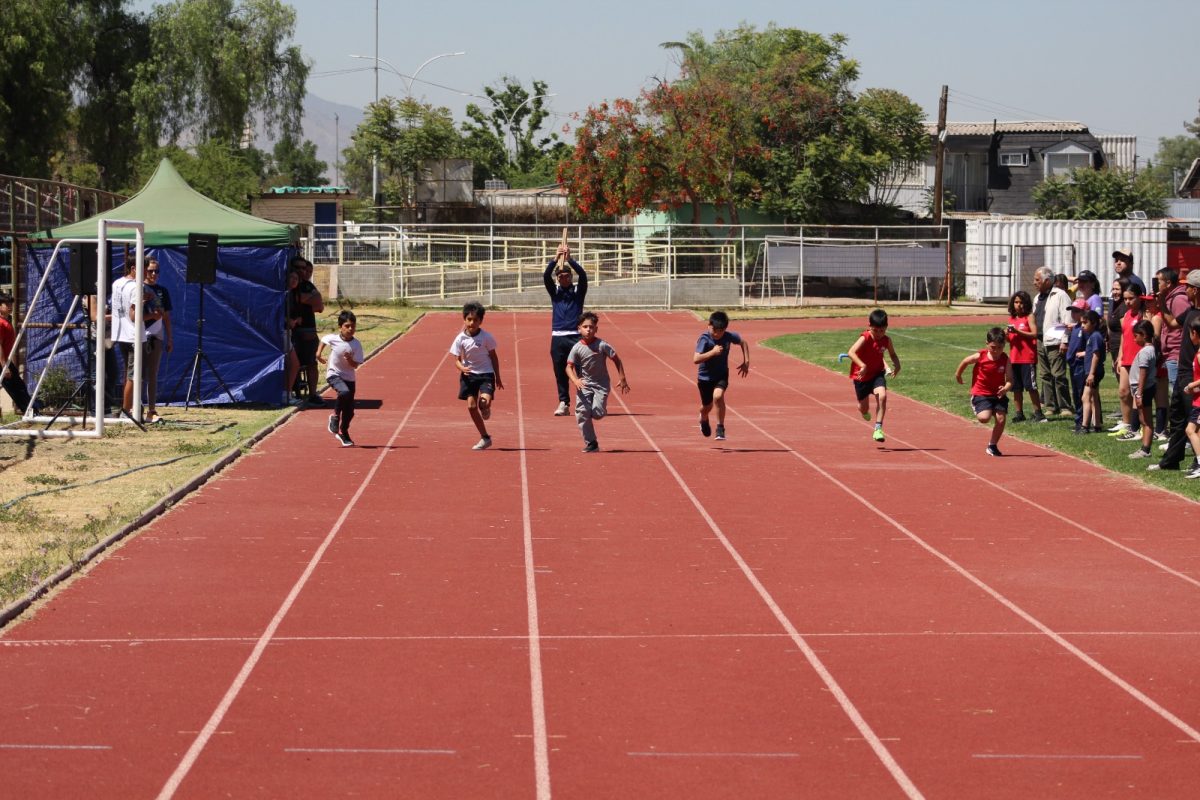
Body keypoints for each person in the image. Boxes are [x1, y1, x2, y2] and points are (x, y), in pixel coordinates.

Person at [1149, 270, 1200, 473]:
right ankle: (1171, 461)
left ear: (1195, 290)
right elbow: (1170, 323)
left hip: (1194, 376)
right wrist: (1161, 301)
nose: (1184, 289)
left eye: (1187, 286)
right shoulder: (1190, 312)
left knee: (1194, 421)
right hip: (1183, 371)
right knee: (1177, 418)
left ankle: (1198, 461)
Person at [566, 311, 629, 453]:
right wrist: (575, 380)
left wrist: (623, 378)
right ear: (579, 329)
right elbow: (568, 367)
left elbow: (616, 359)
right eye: (585, 326)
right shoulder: (576, 348)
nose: (588, 329)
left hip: (601, 384)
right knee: (582, 413)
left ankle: (600, 409)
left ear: (596, 329)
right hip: (585, 384)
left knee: (597, 414)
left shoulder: (602, 345)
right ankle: (591, 443)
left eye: (591, 327)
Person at [448, 301, 502, 451]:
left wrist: (498, 377)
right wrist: (462, 368)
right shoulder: (460, 339)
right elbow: (456, 360)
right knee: (471, 406)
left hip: (486, 374)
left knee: (483, 403)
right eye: (469, 319)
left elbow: (494, 357)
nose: (472, 323)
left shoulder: (486, 337)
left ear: (481, 321)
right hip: (469, 375)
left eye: (475, 320)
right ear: (464, 320)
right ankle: (485, 437)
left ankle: (485, 407)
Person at [955, 326, 1014, 457]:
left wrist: (1006, 388)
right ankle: (983, 407)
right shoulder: (980, 356)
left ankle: (992, 445)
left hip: (998, 394)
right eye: (993, 347)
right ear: (987, 344)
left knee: (1001, 419)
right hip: (981, 393)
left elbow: (1010, 379)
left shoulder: (1005, 359)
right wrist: (958, 375)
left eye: (1000, 348)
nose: (996, 351)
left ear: (1004, 345)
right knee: (984, 418)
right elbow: (965, 361)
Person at [543, 242, 588, 416]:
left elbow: (583, 275)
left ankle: (583, 400)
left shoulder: (578, 291)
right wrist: (555, 259)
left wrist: (570, 259)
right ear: (558, 279)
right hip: (558, 337)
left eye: (567, 276)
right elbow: (546, 276)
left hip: (576, 336)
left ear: (571, 277)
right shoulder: (555, 292)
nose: (564, 279)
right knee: (560, 371)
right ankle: (564, 402)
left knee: (580, 369)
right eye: (561, 276)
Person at [846, 308, 901, 443]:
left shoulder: (887, 340)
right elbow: (851, 352)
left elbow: (892, 354)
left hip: (877, 374)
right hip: (861, 377)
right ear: (869, 326)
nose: (878, 334)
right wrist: (863, 365)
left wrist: (897, 365)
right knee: (863, 407)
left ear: (886, 328)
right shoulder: (865, 337)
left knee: (882, 396)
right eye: (875, 330)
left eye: (882, 331)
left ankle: (878, 428)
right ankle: (863, 411)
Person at [693, 310, 750, 441]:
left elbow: (743, 342)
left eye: (721, 331)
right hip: (705, 378)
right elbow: (695, 359)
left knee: (718, 396)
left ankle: (720, 428)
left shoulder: (729, 336)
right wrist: (712, 352)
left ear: (725, 329)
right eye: (715, 330)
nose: (717, 334)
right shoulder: (704, 339)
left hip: (721, 374)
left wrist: (746, 361)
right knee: (707, 407)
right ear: (709, 325)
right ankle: (703, 417)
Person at [317, 310, 364, 447]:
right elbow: (324, 339)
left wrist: (350, 359)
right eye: (347, 326)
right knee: (344, 392)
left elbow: (355, 365)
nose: (350, 329)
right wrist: (318, 354)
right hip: (334, 374)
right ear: (340, 327)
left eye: (353, 326)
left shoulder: (356, 345)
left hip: (349, 378)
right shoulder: (334, 338)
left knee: (349, 412)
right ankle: (335, 416)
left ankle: (343, 431)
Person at [111, 258, 150, 415]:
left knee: (128, 373)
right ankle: (126, 411)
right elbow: (134, 315)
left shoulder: (117, 283)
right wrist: (148, 309)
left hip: (120, 334)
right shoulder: (136, 286)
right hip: (134, 335)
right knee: (134, 376)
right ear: (133, 268)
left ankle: (132, 406)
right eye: (144, 269)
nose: (146, 273)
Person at [1032, 267, 1073, 415]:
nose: (1034, 283)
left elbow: (1067, 318)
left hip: (1055, 340)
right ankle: (1050, 406)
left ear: (1047, 281)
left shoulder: (1060, 295)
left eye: (1037, 280)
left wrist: (1065, 340)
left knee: (1058, 375)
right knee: (1044, 375)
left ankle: (1065, 406)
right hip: (1041, 340)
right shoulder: (1037, 298)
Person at [1156, 267, 1189, 438]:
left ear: (1168, 283)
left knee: (1178, 398)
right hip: (1171, 353)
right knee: (1174, 396)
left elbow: (1181, 327)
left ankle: (1183, 436)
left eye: (1158, 281)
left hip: (1177, 353)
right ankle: (1180, 435)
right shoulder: (1169, 298)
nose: (1156, 284)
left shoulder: (1179, 300)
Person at [1111, 285, 1146, 439]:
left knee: (1136, 394)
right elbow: (1124, 336)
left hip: (1138, 359)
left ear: (1140, 297)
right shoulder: (1125, 315)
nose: (1127, 302)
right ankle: (1126, 423)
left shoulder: (1143, 315)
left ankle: (1138, 426)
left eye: (1131, 298)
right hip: (1126, 358)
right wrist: (1119, 356)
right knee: (1123, 392)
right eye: (1125, 299)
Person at [1005, 290, 1046, 422]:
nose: (1019, 305)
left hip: (1027, 358)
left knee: (1031, 387)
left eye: (1021, 302)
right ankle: (1019, 413)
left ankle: (1038, 413)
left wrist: (1018, 331)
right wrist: (1006, 335)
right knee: (1016, 388)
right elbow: (1010, 339)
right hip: (1014, 359)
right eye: (1016, 302)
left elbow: (1034, 334)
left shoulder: (1029, 317)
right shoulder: (1012, 319)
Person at [290, 256, 324, 406]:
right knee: (292, 364)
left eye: (306, 269)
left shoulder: (307, 286)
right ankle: (290, 392)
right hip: (292, 332)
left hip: (308, 331)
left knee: (311, 363)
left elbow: (319, 304)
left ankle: (313, 394)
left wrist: (302, 298)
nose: (303, 271)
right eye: (299, 268)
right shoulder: (290, 285)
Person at [141, 258, 172, 423]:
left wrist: (170, 338)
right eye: (150, 270)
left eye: (156, 271)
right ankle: (133, 408)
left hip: (157, 334)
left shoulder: (162, 291)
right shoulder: (138, 287)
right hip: (139, 334)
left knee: (152, 373)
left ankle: (151, 410)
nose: (153, 274)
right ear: (144, 270)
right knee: (137, 373)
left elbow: (166, 316)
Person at [1126, 320, 1158, 460]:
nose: (1134, 339)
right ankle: (1144, 447)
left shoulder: (1146, 352)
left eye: (1136, 336)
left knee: (1145, 421)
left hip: (1143, 390)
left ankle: (1145, 449)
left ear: (1144, 335)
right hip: (1144, 390)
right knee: (1144, 420)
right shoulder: (1150, 350)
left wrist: (1139, 393)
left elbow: (1143, 373)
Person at [0, 292, 35, 414]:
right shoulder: (0, 323)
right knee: (16, 388)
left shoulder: (6, 320)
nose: (10, 306)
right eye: (7, 304)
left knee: (19, 386)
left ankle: (30, 410)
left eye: (11, 304)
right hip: (2, 363)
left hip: (6, 361)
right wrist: (4, 366)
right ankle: (29, 411)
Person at [1080, 309, 1108, 434]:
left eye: (1085, 323)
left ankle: (1084, 426)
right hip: (1094, 371)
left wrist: (1091, 373)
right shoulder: (1093, 336)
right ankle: (1097, 425)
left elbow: (1096, 355)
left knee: (1085, 397)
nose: (1082, 325)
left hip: (1094, 372)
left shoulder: (1095, 336)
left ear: (1094, 323)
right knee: (1093, 398)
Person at [1064, 299, 1088, 432]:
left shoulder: (1085, 329)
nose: (1073, 313)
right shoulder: (1076, 327)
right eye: (1072, 311)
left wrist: (1084, 353)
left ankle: (1082, 420)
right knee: (1075, 393)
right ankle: (1078, 420)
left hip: (1080, 365)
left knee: (1081, 393)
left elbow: (1091, 345)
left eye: (1077, 311)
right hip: (1073, 364)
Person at [1181, 319, 1200, 479]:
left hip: (1199, 403)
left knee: (1190, 430)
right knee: (1197, 433)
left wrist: (1191, 385)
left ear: (1195, 333)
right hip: (1197, 399)